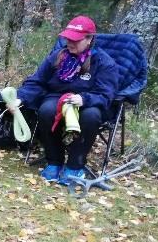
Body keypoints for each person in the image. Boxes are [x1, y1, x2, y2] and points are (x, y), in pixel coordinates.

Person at [10, 15, 118, 184]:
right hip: (57, 97)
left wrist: (84, 99)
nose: (70, 42)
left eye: (75, 39)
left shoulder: (104, 62)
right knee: (46, 111)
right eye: (68, 38)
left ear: (89, 39)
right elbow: (37, 80)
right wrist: (20, 98)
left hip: (88, 102)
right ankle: (54, 162)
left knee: (91, 117)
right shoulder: (57, 56)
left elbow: (106, 94)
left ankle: (75, 166)